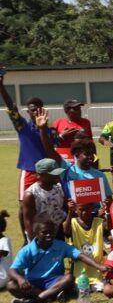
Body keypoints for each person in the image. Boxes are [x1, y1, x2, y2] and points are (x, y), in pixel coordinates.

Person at [6, 220, 111, 303]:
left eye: (51, 232)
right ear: (36, 233)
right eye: (44, 232)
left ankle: (33, 301)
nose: (49, 235)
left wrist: (99, 266)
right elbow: (12, 270)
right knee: (11, 285)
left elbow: (80, 256)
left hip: (54, 281)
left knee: (69, 278)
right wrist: (20, 279)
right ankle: (51, 295)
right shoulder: (27, 250)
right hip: (33, 284)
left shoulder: (60, 245)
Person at [0, 74, 58, 235]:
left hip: (48, 172)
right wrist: (1, 87)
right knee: (23, 207)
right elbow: (12, 107)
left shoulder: (50, 130)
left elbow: (56, 147)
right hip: (29, 171)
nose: (36, 112)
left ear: (43, 109)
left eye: (39, 109)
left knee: (51, 204)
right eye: (33, 110)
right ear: (28, 112)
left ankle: (52, 234)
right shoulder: (22, 126)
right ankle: (28, 238)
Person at [22, 158, 68, 241]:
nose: (57, 176)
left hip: (59, 233)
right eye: (53, 174)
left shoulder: (59, 188)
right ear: (40, 175)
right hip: (41, 236)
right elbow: (28, 222)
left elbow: (64, 207)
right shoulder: (31, 194)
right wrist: (35, 244)